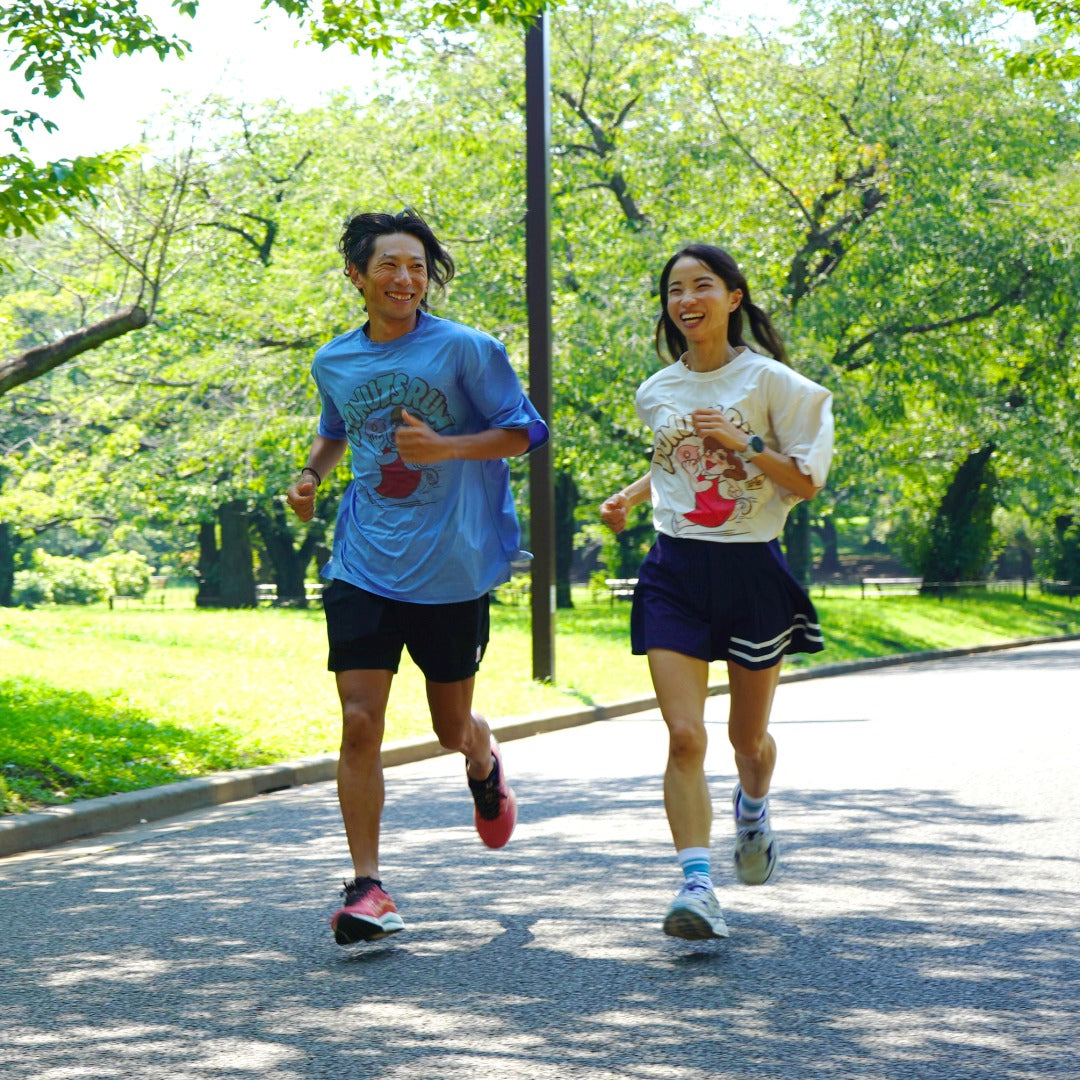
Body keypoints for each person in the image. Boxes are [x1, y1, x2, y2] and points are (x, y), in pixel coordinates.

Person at [287, 208, 548, 946]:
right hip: (364, 561)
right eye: (390, 266)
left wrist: (448, 448)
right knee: (359, 720)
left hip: (453, 566)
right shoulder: (334, 360)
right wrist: (311, 474)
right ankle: (367, 887)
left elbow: (527, 431)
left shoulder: (467, 350)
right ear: (356, 277)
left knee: (446, 728)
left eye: (417, 267)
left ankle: (482, 755)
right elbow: (337, 427)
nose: (405, 279)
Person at [600, 243, 833, 941]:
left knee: (746, 738)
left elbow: (804, 482)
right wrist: (636, 494)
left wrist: (744, 441)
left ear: (734, 297)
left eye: (702, 285)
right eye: (675, 288)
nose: (686, 299)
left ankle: (754, 807)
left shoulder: (776, 385)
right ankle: (696, 886)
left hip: (751, 570)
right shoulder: (657, 390)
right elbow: (676, 459)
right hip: (674, 569)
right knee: (682, 735)